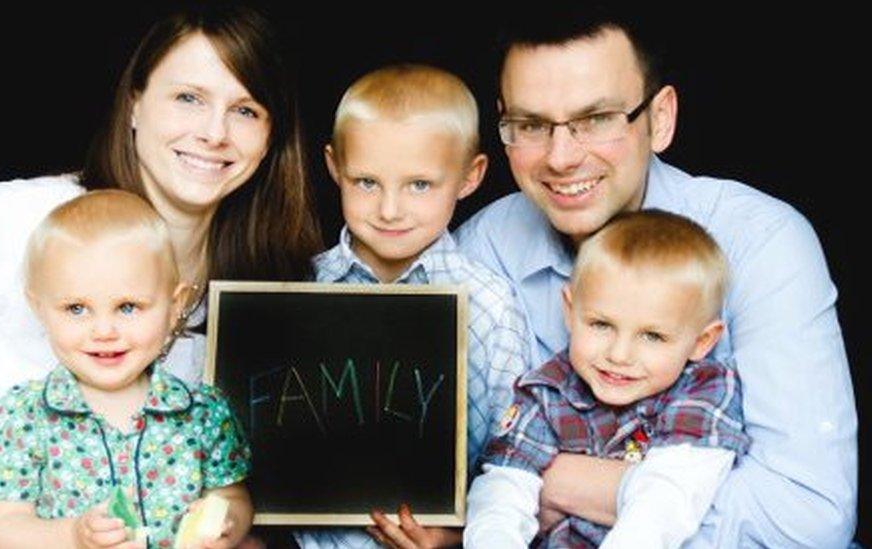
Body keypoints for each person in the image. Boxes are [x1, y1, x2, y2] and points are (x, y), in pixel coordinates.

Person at [0, 5, 321, 547]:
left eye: (245, 110)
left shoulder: (259, 291)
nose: (214, 132)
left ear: (269, 137)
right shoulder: (19, 222)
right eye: (188, 98)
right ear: (136, 104)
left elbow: (225, 489)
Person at [449, 5, 856, 547]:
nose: (561, 157)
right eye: (530, 125)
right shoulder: (480, 252)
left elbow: (808, 518)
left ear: (660, 118)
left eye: (596, 119)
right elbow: (446, 486)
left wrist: (555, 482)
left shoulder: (760, 243)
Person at [296, 64, 529, 548]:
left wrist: (454, 535)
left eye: (419, 185)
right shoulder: (297, 289)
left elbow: (512, 457)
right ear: (334, 166)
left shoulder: (486, 305)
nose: (389, 209)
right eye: (366, 182)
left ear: (470, 177)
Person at [0, 190, 252, 549]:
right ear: (39, 308)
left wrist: (227, 522)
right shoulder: (20, 416)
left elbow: (233, 497)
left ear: (173, 306)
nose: (104, 331)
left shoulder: (204, 412)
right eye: (76, 308)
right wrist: (72, 536)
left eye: (128, 307)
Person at [465, 210, 750, 548]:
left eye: (653, 336)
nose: (619, 354)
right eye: (601, 325)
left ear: (702, 341)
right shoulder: (546, 390)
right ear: (570, 311)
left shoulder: (704, 390)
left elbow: (665, 501)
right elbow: (504, 487)